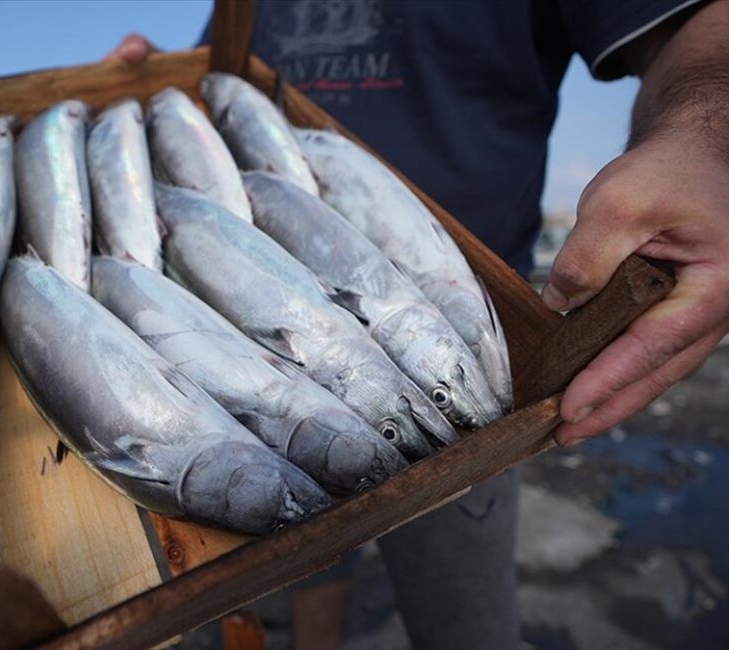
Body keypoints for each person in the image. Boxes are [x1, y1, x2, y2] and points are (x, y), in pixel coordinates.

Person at [107, 1, 729, 647]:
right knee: (308, 543)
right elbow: (225, 75)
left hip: (476, 353)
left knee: (465, 612)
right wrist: (162, 83)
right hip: (260, 320)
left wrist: (701, 140)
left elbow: (699, 26)